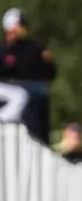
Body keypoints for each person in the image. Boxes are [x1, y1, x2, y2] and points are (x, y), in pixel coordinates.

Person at [0, 8, 57, 143]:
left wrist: (48, 62)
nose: (22, 29)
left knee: (34, 93)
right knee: (20, 96)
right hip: (6, 88)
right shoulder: (3, 49)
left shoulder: (32, 47)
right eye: (19, 25)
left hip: (27, 89)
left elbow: (48, 73)